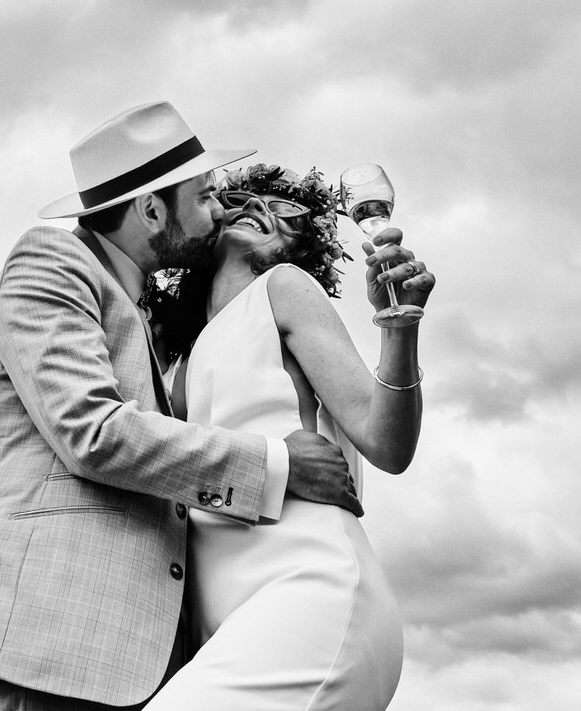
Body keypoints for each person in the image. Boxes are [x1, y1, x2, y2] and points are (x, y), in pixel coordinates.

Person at [0, 102, 382, 710]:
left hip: (150, 653)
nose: (219, 211)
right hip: (64, 641)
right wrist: (280, 465)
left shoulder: (146, 319)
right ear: (152, 209)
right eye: (204, 197)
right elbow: (92, 432)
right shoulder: (51, 261)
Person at [144, 163, 434, 711]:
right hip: (222, 625)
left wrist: (400, 329)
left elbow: (388, 443)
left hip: (309, 590)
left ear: (303, 250)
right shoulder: (175, 360)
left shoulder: (281, 288)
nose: (258, 208)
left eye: (285, 210)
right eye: (239, 198)